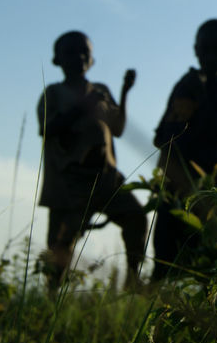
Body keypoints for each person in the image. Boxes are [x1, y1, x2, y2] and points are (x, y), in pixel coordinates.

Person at [37, 30, 147, 288]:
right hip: (69, 185)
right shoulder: (53, 94)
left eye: (84, 52)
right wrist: (82, 105)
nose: (79, 57)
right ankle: (52, 298)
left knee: (136, 217)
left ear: (92, 59)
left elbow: (117, 128)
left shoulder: (101, 91)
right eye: (71, 52)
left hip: (106, 179)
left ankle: (133, 278)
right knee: (60, 246)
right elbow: (48, 128)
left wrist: (124, 91)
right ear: (58, 60)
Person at [151, 18, 217, 280]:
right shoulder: (184, 85)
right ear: (196, 50)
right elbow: (160, 136)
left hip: (207, 191)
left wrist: (200, 93)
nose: (211, 56)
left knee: (207, 268)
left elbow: (216, 135)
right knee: (163, 263)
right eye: (205, 49)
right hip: (172, 188)